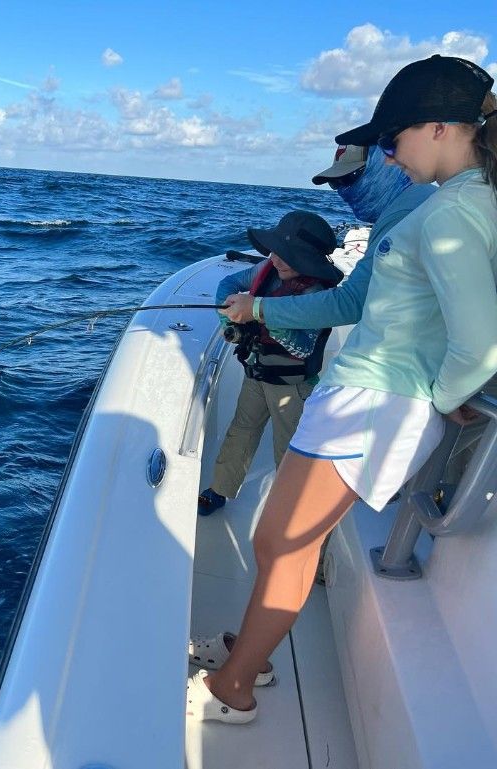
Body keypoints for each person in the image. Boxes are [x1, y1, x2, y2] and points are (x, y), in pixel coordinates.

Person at [187, 54, 497, 724]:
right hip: (360, 398)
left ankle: (232, 688)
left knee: (281, 539)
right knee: (281, 542)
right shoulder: (443, 208)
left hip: (378, 403)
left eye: (393, 140)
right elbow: (357, 299)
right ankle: (253, 656)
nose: (387, 156)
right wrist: (261, 310)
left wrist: (442, 399)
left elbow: (480, 345)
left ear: (442, 129)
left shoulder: (451, 214)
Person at [196, 211, 342, 516]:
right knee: (241, 429)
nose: (277, 259)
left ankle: (290, 509)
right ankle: (221, 488)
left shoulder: (316, 293)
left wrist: (264, 314)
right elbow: (229, 282)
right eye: (276, 250)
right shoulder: (269, 267)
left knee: (288, 446)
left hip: (292, 385)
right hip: (256, 371)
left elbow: (303, 348)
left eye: (289, 255)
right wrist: (227, 313)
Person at [220, 144, 434, 330]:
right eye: (336, 183)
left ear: (386, 164)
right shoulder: (411, 203)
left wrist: (257, 309)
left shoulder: (403, 215)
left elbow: (352, 303)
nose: (343, 190)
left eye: (349, 178)